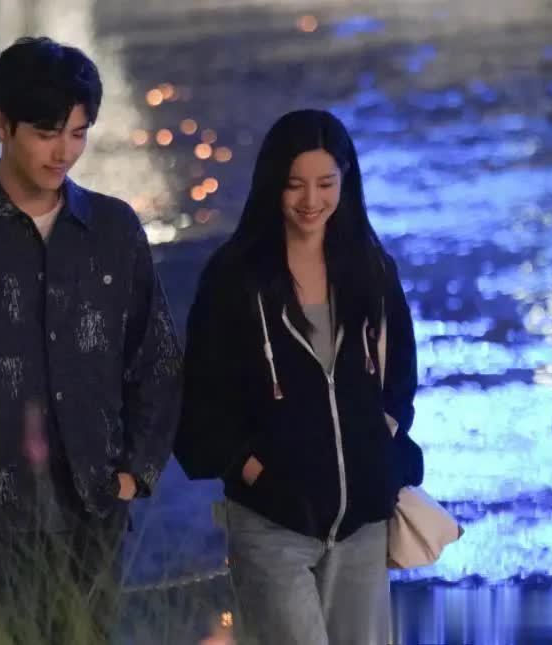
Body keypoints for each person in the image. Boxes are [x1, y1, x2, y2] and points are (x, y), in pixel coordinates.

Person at [0, 36, 182, 641]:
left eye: (78, 133)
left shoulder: (113, 230)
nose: (63, 152)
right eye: (47, 133)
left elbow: (156, 360)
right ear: (1, 124)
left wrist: (133, 474)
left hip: (92, 518)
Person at [174, 109, 423, 645]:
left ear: (346, 182)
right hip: (272, 526)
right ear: (272, 184)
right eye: (295, 185)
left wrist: (378, 445)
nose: (311, 200)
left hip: (361, 522)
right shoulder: (234, 279)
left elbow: (400, 378)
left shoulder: (371, 269)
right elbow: (200, 402)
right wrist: (254, 471)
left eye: (326, 184)